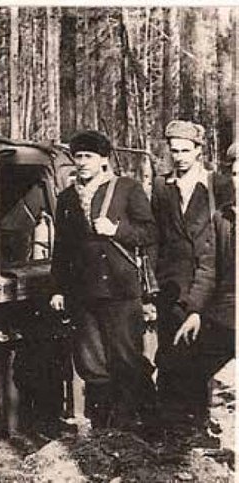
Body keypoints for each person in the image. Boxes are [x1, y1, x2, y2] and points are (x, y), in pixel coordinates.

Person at [50, 130, 157, 429]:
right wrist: (58, 289)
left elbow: (150, 232)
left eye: (89, 156)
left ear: (103, 159)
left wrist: (116, 230)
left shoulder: (127, 188)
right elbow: (62, 248)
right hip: (83, 293)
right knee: (91, 363)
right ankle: (103, 427)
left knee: (126, 358)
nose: (82, 162)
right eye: (78, 157)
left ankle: (140, 423)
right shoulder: (66, 198)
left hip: (120, 290)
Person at [157, 155, 236, 433]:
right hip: (226, 313)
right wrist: (194, 312)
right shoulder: (224, 219)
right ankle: (192, 430)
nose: (238, 182)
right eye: (236, 174)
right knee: (184, 358)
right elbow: (208, 270)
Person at [151, 120, 219, 427]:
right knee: (170, 348)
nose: (179, 157)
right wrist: (155, 276)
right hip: (171, 281)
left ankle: (200, 418)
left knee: (201, 350)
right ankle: (172, 422)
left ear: (198, 151)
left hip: (208, 278)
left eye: (185, 151)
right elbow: (155, 235)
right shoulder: (161, 186)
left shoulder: (216, 184)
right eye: (174, 151)